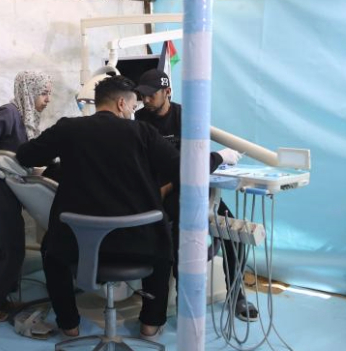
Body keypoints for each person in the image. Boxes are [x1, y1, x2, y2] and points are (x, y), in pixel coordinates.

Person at [16, 75, 178, 339]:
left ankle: (70, 326)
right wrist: (219, 157)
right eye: (134, 106)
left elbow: (25, 155)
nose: (134, 111)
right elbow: (182, 167)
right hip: (138, 245)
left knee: (50, 250)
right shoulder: (144, 133)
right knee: (164, 249)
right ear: (123, 104)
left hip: (78, 246)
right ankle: (150, 324)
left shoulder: (68, 128)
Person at [134, 68, 259, 321]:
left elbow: (198, 160)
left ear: (167, 91)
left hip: (192, 189)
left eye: (150, 95)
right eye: (142, 96)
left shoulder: (187, 117)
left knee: (233, 235)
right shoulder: (139, 121)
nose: (145, 101)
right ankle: (185, 299)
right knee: (179, 239)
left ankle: (237, 294)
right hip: (160, 195)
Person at [0, 70, 52, 322]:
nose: (48, 98)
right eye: (44, 92)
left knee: (1, 249)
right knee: (11, 250)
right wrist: (3, 169)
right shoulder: (8, 113)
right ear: (29, 90)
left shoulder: (25, 117)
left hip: (9, 190)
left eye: (49, 92)